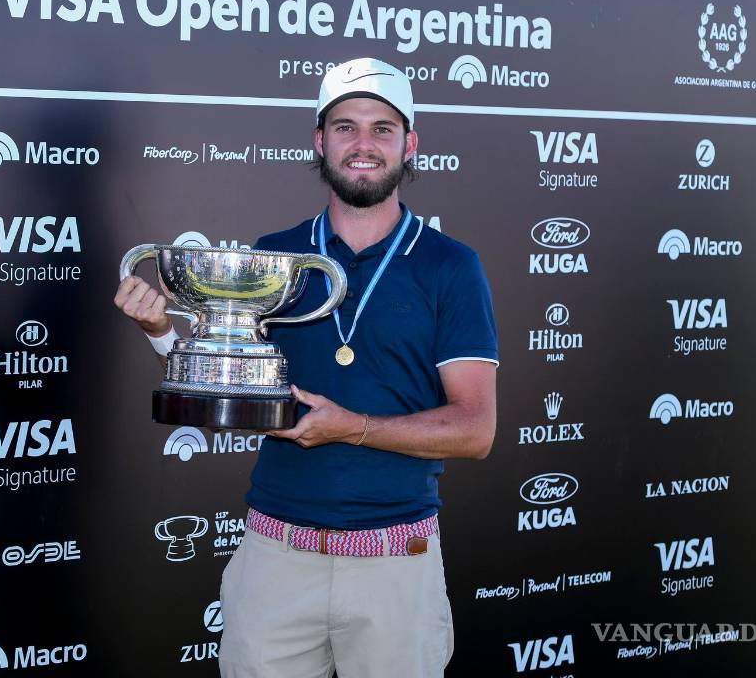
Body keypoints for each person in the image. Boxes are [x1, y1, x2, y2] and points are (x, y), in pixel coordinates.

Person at [114, 57, 498, 677]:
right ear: (320, 141)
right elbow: (233, 383)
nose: (364, 145)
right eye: (345, 127)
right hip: (276, 557)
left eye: (382, 128)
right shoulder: (276, 257)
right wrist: (164, 334)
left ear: (410, 144)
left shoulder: (449, 266)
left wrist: (352, 426)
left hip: (396, 564)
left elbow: (475, 430)